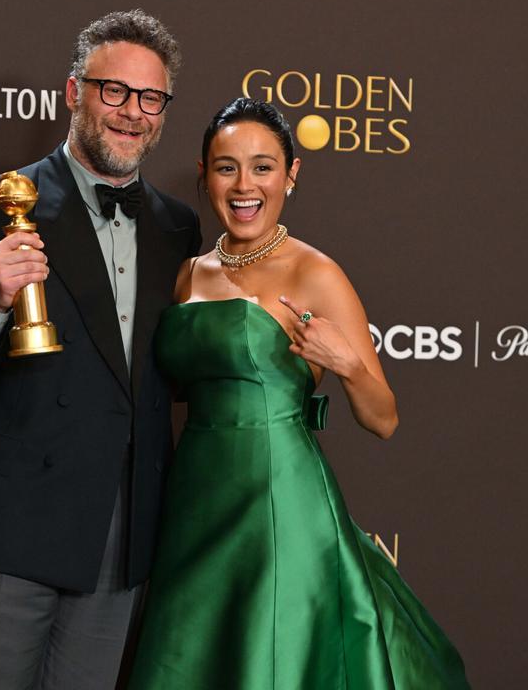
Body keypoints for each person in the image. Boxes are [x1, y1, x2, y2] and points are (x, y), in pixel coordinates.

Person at [128, 97, 470, 689]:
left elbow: (384, 419)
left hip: (278, 498)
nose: (245, 185)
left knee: (269, 662)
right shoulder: (189, 273)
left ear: (291, 174)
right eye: (227, 167)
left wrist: (347, 365)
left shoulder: (316, 273)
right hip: (193, 499)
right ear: (205, 175)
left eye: (263, 167)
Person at [0, 10, 201, 690]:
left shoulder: (178, 229)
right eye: (115, 90)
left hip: (121, 534)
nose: (132, 112)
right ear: (74, 91)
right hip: (8, 523)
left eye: (151, 98)